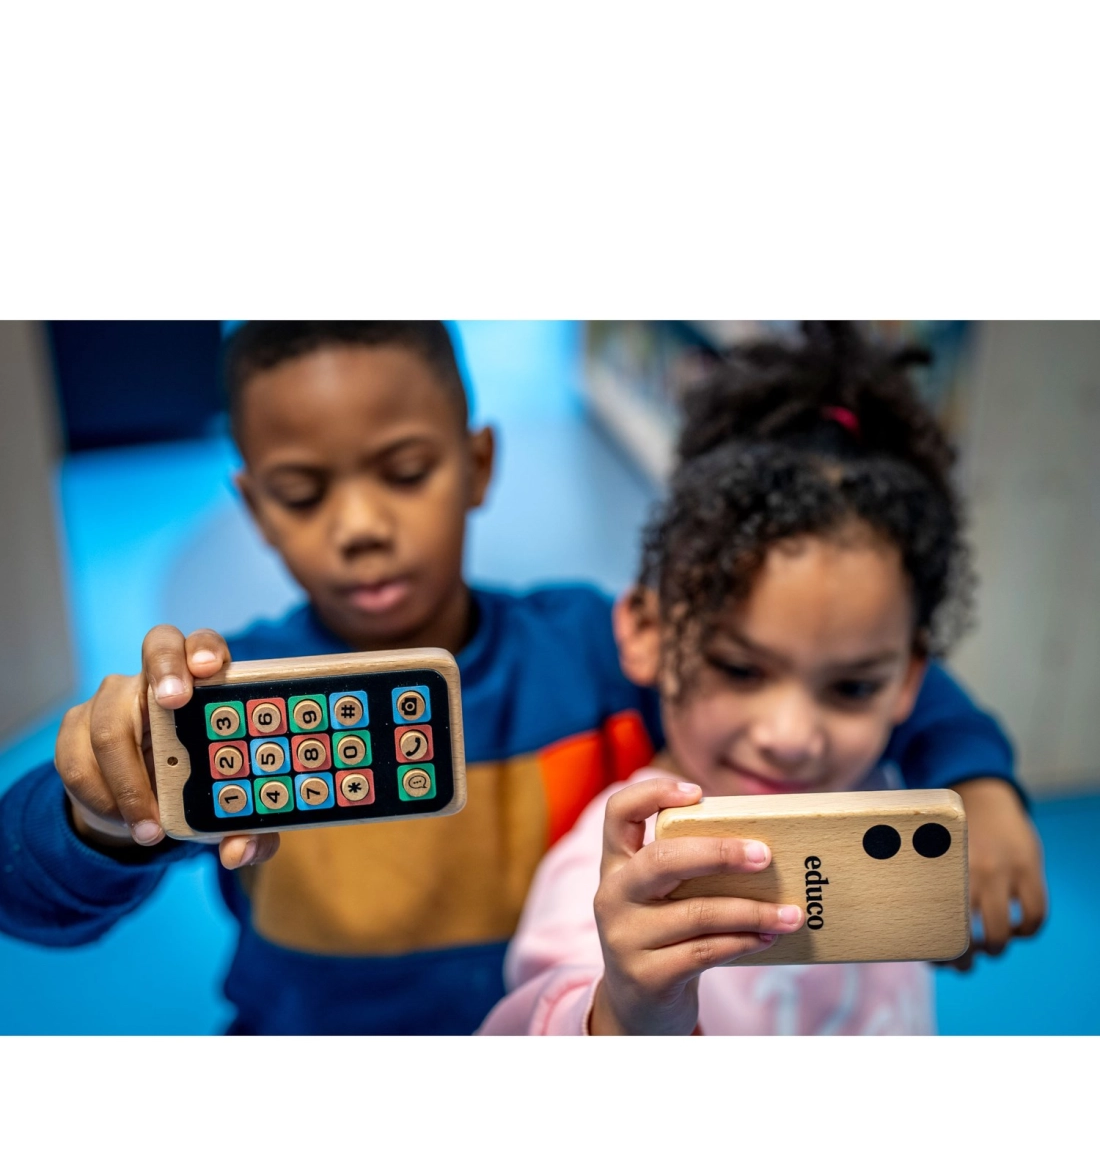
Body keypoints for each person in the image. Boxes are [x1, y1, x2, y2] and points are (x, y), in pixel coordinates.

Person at [0, 322, 1040, 1034]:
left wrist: (976, 779)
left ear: (480, 464)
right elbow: (26, 895)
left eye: (405, 472)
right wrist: (98, 811)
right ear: (254, 506)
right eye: (303, 493)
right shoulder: (227, 699)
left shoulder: (594, 647)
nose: (360, 527)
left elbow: (819, 660)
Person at [479, 322, 1047, 1035]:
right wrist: (626, 1011)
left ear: (909, 680)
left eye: (852, 688)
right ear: (647, 634)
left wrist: (983, 789)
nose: (791, 738)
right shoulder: (613, 876)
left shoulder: (882, 802)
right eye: (741, 669)